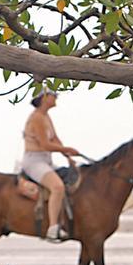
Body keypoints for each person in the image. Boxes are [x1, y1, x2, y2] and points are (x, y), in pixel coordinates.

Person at [21, 87, 81, 241]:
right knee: (57, 186)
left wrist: (67, 156)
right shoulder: (36, 118)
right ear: (44, 98)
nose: (56, 97)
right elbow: (45, 145)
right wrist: (67, 149)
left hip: (46, 160)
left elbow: (55, 139)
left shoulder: (46, 116)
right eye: (53, 95)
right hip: (34, 161)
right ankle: (53, 229)